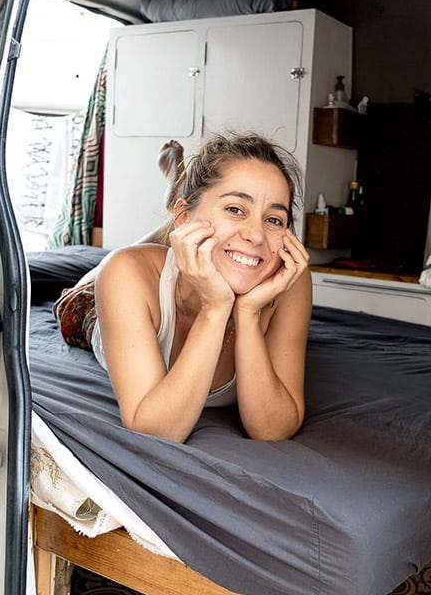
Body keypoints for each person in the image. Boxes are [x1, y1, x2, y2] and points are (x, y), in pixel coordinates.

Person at [90, 133, 312, 443]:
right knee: (93, 277)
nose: (257, 236)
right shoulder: (126, 272)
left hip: (182, 232)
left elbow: (273, 429)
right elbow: (155, 430)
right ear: (185, 217)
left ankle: (178, 200)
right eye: (235, 209)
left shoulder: (290, 280)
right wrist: (215, 308)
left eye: (274, 219)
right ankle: (173, 196)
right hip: (86, 310)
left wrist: (246, 312)